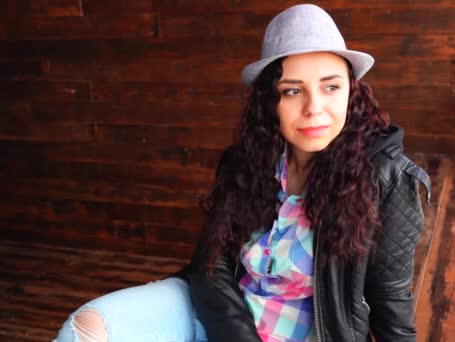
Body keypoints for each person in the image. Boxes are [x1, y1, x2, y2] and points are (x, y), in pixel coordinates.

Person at [55, 4, 430, 342]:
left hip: (303, 333)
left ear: (352, 91)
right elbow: (212, 262)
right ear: (270, 101)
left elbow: (390, 300)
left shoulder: (386, 178)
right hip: (223, 316)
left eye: (330, 86)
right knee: (84, 328)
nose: (315, 108)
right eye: (292, 91)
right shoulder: (249, 160)